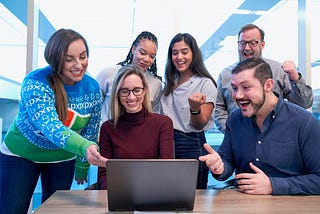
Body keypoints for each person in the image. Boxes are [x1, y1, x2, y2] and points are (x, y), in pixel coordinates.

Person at [0, 29, 107, 213]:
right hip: (21, 154)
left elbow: (91, 128)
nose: (79, 64)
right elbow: (51, 127)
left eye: (83, 56)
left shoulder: (92, 87)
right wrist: (84, 147)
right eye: (69, 59)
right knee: (12, 208)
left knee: (55, 210)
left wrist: (82, 164)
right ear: (56, 59)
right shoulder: (35, 82)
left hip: (62, 157)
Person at [199, 57, 320, 195]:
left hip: (288, 205)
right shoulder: (235, 119)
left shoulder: (304, 122)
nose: (237, 95)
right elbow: (227, 162)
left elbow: (318, 179)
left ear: (268, 86)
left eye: (246, 87)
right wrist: (220, 167)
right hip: (243, 203)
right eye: (234, 88)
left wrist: (273, 186)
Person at [215, 24, 313, 133]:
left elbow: (304, 103)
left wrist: (295, 78)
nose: (247, 48)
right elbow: (218, 109)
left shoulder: (279, 71)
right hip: (239, 140)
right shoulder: (225, 75)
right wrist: (232, 132)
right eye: (242, 43)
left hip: (275, 137)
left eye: (253, 43)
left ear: (262, 45)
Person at [98, 64, 174, 190]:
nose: (131, 97)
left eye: (136, 90)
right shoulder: (107, 128)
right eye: (124, 91)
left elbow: (165, 169)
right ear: (117, 94)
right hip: (119, 193)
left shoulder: (163, 124)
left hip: (153, 192)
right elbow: (104, 174)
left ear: (144, 91)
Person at [160, 33, 217, 189]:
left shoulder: (205, 83)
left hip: (191, 144)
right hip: (167, 143)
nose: (179, 57)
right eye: (175, 52)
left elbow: (200, 124)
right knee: (167, 194)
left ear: (194, 54)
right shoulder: (170, 81)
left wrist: (195, 108)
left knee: (192, 197)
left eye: (184, 52)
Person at [95, 31, 163, 123]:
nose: (146, 59)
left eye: (152, 56)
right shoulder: (108, 74)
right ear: (133, 49)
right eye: (142, 53)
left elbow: (152, 116)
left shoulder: (156, 84)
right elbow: (94, 106)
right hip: (107, 131)